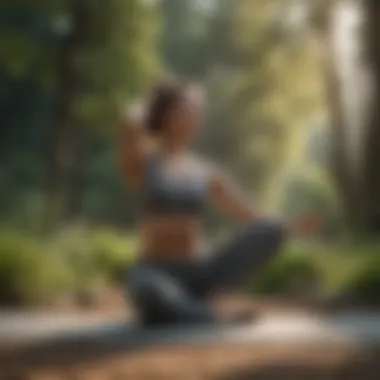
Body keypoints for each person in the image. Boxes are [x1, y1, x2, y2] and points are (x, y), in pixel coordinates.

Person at [118, 79, 315, 326]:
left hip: (201, 272)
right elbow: (129, 122)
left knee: (272, 227)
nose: (195, 116)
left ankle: (187, 308)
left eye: (196, 111)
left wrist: (288, 226)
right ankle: (207, 314)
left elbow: (250, 215)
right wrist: (151, 101)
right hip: (156, 271)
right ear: (166, 114)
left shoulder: (206, 171)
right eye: (187, 109)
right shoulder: (143, 164)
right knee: (149, 290)